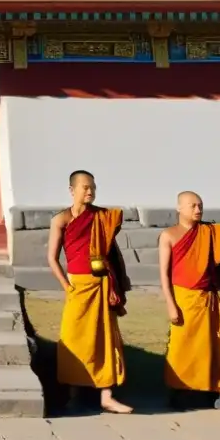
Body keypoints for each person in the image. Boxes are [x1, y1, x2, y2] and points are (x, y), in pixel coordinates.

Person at [46, 170, 132, 414]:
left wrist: (120, 280)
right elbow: (52, 258)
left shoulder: (103, 217)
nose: (90, 191)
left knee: (106, 339)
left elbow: (113, 252)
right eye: (85, 187)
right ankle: (74, 394)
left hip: (102, 284)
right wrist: (67, 286)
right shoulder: (61, 220)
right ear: (72, 190)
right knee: (74, 338)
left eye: (93, 187)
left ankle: (107, 395)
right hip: (78, 286)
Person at [158, 191, 220, 413]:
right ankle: (179, 392)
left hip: (211, 297)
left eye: (200, 205)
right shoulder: (169, 235)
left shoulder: (211, 233)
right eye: (192, 206)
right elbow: (164, 274)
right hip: (185, 298)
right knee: (183, 347)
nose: (198, 210)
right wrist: (171, 304)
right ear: (179, 208)